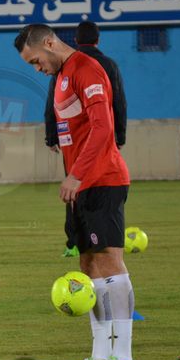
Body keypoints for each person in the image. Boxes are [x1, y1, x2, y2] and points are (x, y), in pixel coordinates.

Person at [15, 24, 135, 360]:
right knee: (88, 266)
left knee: (110, 264)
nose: (38, 68)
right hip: (82, 187)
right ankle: (100, 357)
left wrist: (77, 175)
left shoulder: (86, 69)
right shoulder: (63, 76)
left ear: (50, 42)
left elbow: (103, 127)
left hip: (103, 180)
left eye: (36, 61)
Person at [44, 22, 128, 256]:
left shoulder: (70, 67)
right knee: (78, 189)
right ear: (98, 40)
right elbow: (119, 102)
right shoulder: (108, 64)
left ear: (76, 40)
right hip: (98, 148)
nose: (39, 68)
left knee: (76, 189)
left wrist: (51, 136)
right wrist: (120, 136)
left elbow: (52, 105)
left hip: (81, 149)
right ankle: (82, 242)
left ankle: (73, 241)